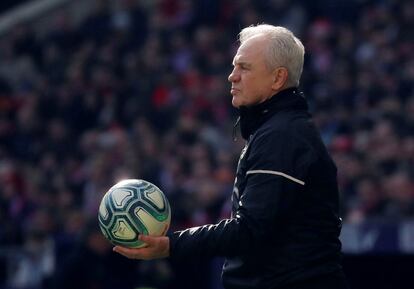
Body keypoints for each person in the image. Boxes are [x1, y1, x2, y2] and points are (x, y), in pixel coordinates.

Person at [113, 24, 349, 289]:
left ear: (278, 78)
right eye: (235, 66)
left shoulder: (282, 136)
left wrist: (171, 245)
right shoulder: (276, 130)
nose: (232, 76)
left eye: (244, 68)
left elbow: (249, 229)